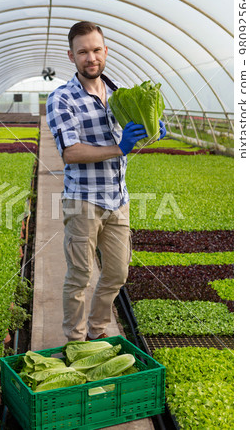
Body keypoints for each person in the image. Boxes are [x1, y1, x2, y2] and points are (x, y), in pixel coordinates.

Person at [46, 21, 166, 342]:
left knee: (116, 273)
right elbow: (70, 152)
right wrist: (120, 148)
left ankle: (97, 332)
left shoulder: (118, 94)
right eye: (83, 52)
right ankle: (75, 340)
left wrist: (152, 131)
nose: (91, 58)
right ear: (71, 56)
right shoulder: (62, 99)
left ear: (105, 51)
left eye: (96, 50)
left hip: (118, 200)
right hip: (84, 200)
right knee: (80, 277)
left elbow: (135, 136)